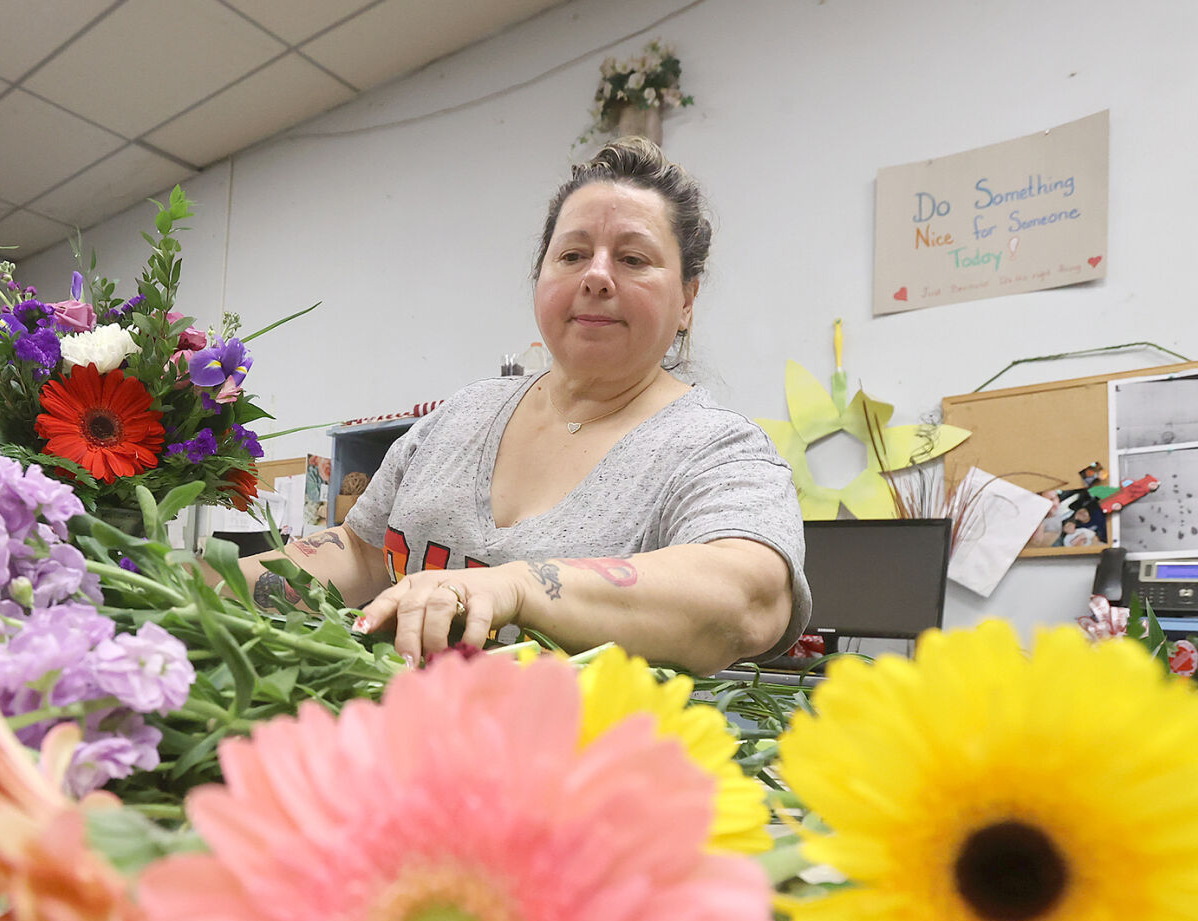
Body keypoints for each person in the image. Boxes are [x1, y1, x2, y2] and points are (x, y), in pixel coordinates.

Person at [238, 138, 809, 675]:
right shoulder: (461, 417)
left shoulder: (717, 449)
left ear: (687, 298)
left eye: (633, 259)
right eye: (573, 253)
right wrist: (186, 579)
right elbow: (361, 554)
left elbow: (748, 598)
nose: (597, 276)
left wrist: (518, 588)